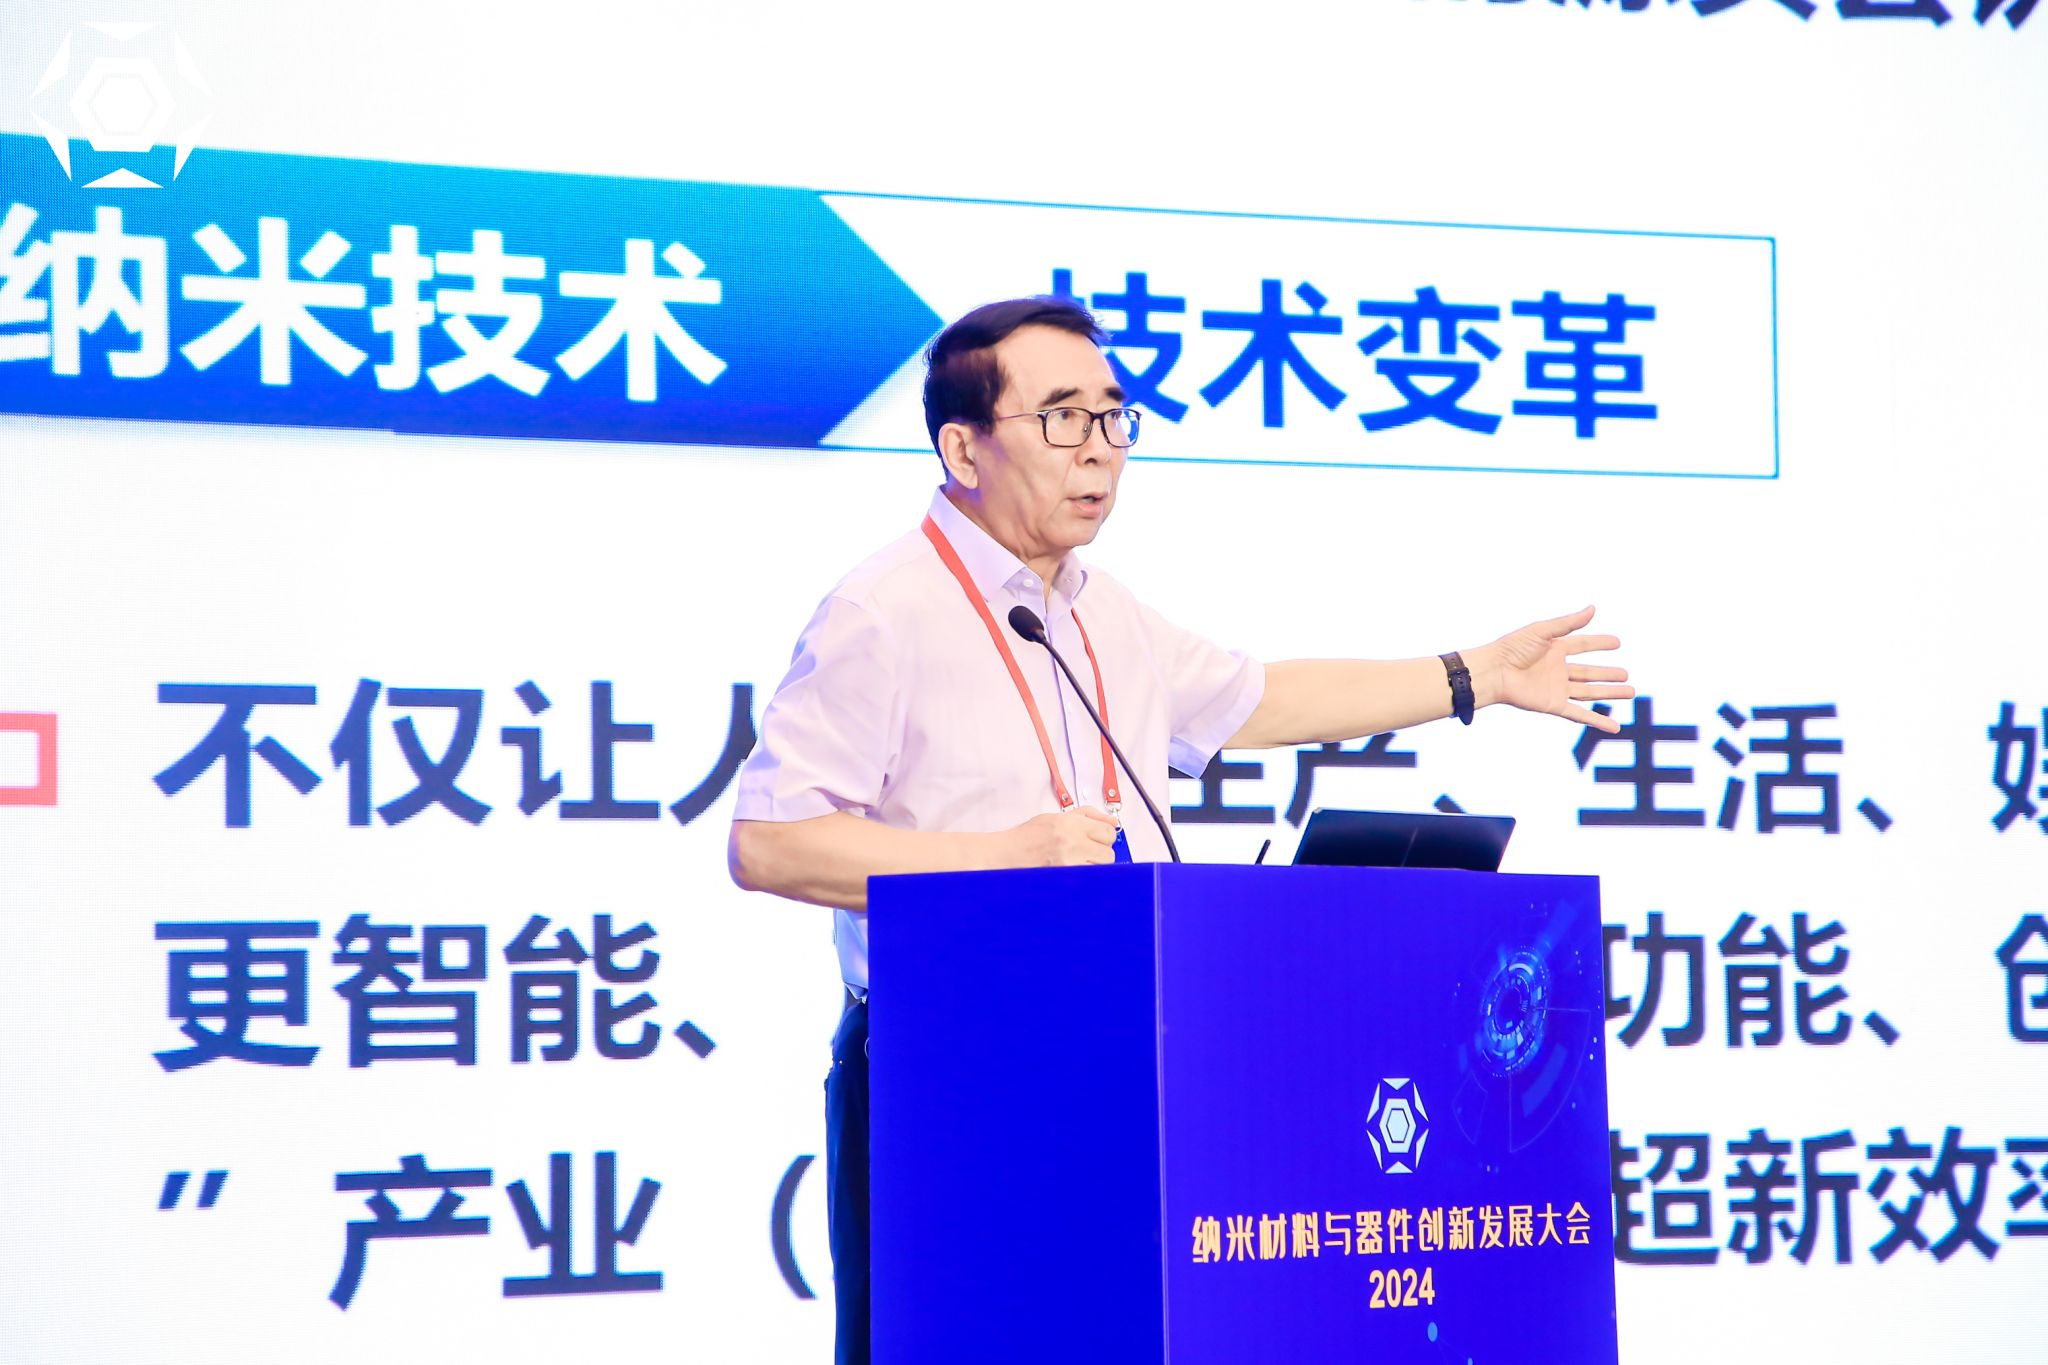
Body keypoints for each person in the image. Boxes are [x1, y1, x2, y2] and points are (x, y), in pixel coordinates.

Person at [726, 295, 1631, 1364]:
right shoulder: (883, 609)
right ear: (961, 449)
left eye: (1114, 416)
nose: (1099, 449)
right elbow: (769, 843)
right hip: (952, 1073)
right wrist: (997, 860)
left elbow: (1263, 700)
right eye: (1062, 418)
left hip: (1126, 1059)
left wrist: (1472, 675)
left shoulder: (1100, 610)